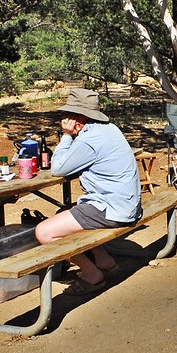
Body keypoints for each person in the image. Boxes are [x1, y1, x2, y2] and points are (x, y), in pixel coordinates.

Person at [35, 88, 142, 296]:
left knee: (44, 232)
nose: (63, 119)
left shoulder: (89, 139)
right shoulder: (108, 129)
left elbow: (58, 169)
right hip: (125, 203)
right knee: (64, 212)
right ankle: (106, 262)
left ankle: (92, 274)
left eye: (67, 115)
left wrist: (66, 136)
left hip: (113, 208)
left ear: (79, 117)